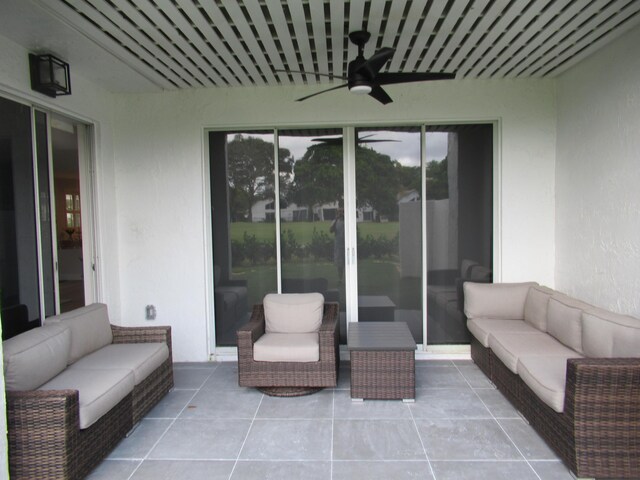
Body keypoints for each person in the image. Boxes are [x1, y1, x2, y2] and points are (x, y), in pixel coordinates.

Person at [330, 207, 345, 282]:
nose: (341, 213)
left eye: (342, 212)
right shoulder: (335, 221)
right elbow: (331, 230)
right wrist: (336, 219)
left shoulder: (347, 221)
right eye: (339, 212)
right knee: (339, 264)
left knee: (347, 262)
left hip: (346, 245)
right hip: (338, 245)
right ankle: (340, 279)